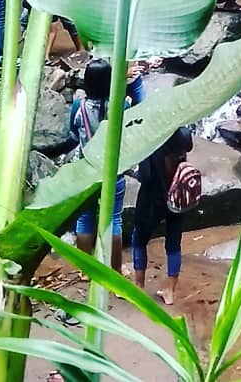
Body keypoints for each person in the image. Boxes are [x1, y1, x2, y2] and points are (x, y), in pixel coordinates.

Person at [69, 60, 128, 271]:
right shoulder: (122, 104)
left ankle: (86, 270)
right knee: (114, 219)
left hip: (87, 168)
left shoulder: (80, 105)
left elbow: (72, 132)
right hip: (114, 169)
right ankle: (115, 270)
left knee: (85, 217)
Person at [132, 126, 193, 305]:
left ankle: (138, 285)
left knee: (139, 240)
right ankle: (170, 292)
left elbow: (145, 176)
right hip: (176, 202)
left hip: (151, 202)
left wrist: (131, 172)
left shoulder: (154, 146)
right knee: (173, 245)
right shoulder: (182, 148)